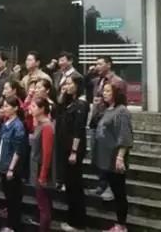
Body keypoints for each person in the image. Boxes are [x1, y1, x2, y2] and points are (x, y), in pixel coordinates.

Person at [88, 56, 127, 201]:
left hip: (109, 124)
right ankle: (102, 184)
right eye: (96, 64)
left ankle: (111, 187)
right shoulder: (97, 81)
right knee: (97, 156)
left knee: (109, 156)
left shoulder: (117, 82)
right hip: (96, 122)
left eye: (100, 64)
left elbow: (121, 104)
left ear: (109, 65)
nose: (96, 66)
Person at [96, 83, 133, 232]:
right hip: (106, 158)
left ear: (115, 93)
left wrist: (120, 157)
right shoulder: (107, 110)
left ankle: (121, 225)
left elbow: (124, 135)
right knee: (115, 191)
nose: (104, 93)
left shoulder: (121, 111)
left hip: (115, 158)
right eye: (103, 91)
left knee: (119, 193)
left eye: (107, 91)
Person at [56, 74, 89, 232]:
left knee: (75, 185)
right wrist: (63, 94)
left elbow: (78, 130)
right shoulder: (71, 102)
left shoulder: (81, 104)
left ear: (77, 85)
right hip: (65, 147)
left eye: (70, 84)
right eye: (66, 84)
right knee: (69, 185)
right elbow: (59, 108)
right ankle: (72, 219)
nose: (67, 86)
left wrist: (74, 151)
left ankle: (78, 222)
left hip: (74, 149)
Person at [0, 96, 27, 232]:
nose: (4, 109)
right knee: (8, 198)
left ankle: (13, 226)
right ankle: (10, 225)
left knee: (13, 199)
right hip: (3, 164)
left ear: (15, 108)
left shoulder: (18, 125)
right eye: (3, 106)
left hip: (12, 167)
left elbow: (18, 150)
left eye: (7, 106)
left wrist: (11, 168)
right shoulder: (6, 123)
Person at [29, 97, 55, 232]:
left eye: (34, 106)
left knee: (44, 205)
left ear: (42, 109)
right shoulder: (39, 124)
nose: (30, 109)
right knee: (41, 204)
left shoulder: (47, 126)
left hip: (42, 169)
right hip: (36, 166)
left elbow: (47, 153)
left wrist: (43, 175)